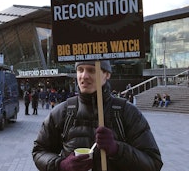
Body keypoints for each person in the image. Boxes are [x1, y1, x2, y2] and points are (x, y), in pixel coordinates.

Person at [32, 60, 163, 171]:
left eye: (91, 70)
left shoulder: (126, 112)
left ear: (107, 74)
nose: (84, 76)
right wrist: (61, 165)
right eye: (80, 70)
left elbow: (153, 163)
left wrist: (117, 149)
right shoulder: (62, 112)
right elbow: (39, 151)